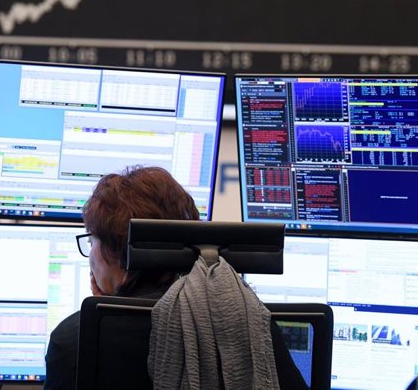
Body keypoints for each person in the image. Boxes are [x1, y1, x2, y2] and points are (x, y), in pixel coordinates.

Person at [43, 166, 306, 390]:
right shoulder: (249, 320)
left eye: (92, 241)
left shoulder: (76, 339)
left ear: (117, 254)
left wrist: (101, 315)